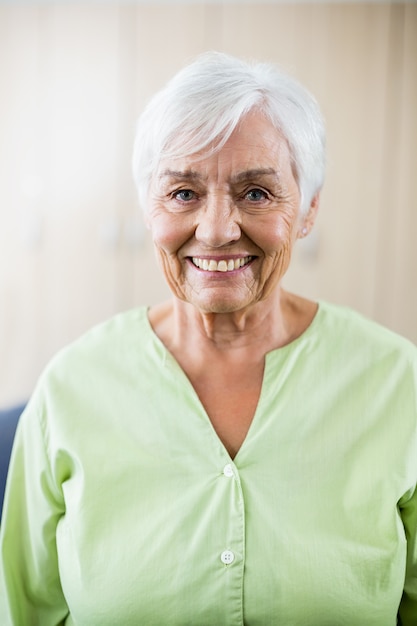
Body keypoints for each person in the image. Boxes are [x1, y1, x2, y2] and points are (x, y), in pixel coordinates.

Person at [0, 51, 416, 625]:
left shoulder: (399, 383)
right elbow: (25, 612)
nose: (217, 230)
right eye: (182, 193)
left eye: (256, 193)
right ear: (149, 209)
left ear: (309, 209)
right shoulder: (70, 389)